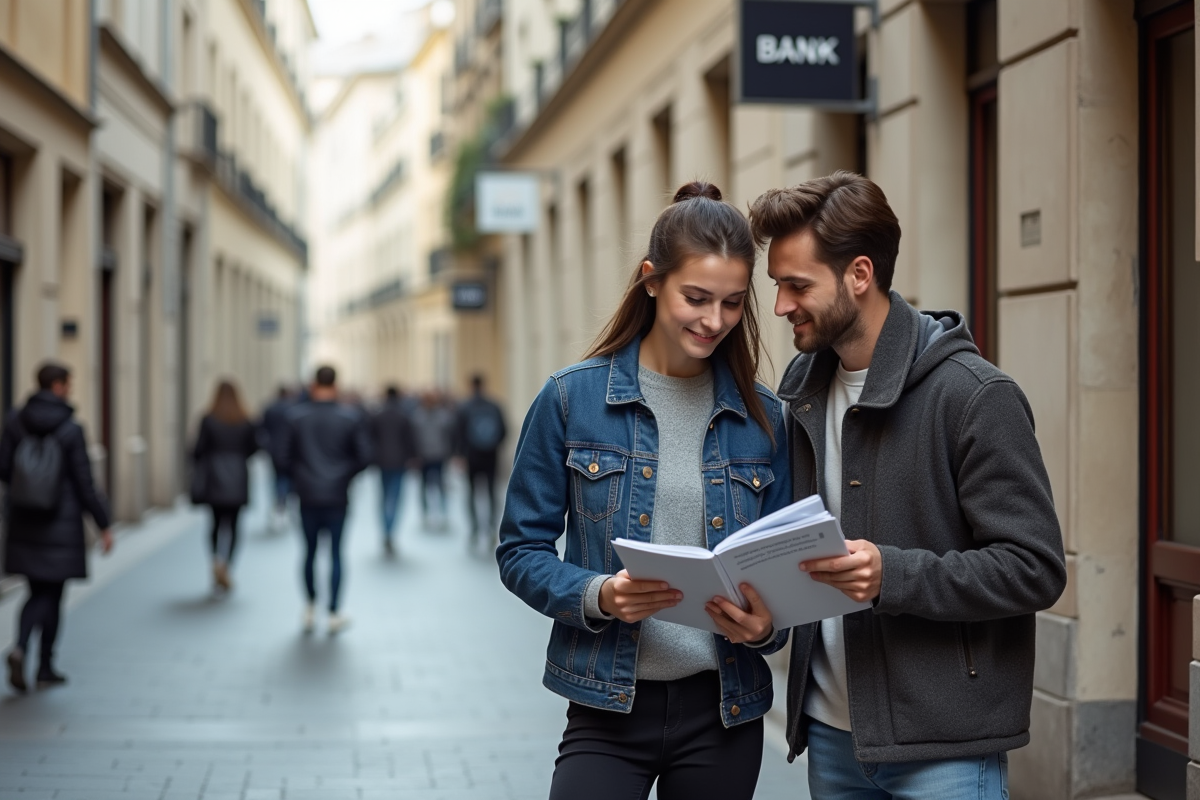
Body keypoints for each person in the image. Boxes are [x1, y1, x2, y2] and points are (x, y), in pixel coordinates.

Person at [749, 171, 1066, 797]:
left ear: (859, 275)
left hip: (945, 748)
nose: (781, 304)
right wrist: (765, 620)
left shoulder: (975, 397)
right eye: (776, 285)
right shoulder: (801, 392)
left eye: (796, 285)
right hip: (831, 738)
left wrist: (892, 575)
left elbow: (1035, 568)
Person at [497, 181, 792, 800]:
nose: (715, 321)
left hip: (724, 711)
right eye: (697, 297)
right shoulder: (570, 399)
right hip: (607, 706)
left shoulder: (766, 420)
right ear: (651, 280)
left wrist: (765, 627)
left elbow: (781, 581)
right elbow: (519, 550)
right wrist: (599, 594)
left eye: (734, 303)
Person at [1, 362, 112, 692]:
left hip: (24, 518)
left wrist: (28, 488)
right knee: (52, 593)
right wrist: (103, 523)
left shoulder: (14, 421)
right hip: (60, 522)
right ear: (60, 386)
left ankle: (21, 647)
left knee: (35, 591)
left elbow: (4, 468)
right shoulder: (71, 428)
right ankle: (45, 665)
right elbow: (84, 482)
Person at [277, 366, 371, 634]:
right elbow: (364, 457)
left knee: (308, 552)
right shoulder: (349, 418)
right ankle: (333, 611)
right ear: (336, 384)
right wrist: (343, 476)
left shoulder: (296, 418)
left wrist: (300, 476)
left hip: (307, 495)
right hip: (337, 495)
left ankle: (309, 606)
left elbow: (281, 458)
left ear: (313, 384)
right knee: (337, 553)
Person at [191, 381, 259, 592]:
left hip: (214, 476)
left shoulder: (208, 419)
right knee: (235, 526)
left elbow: (197, 450)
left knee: (214, 524)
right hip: (237, 476)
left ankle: (215, 561)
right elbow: (254, 448)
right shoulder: (245, 420)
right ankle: (227, 565)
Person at [456, 374, 506, 547]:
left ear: (471, 385)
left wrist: (460, 455)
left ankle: (475, 528)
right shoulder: (494, 405)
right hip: (490, 456)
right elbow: (503, 431)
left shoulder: (465, 406)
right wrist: (493, 446)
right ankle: (492, 528)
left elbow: (458, 433)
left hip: (471, 457)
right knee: (492, 493)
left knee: (471, 493)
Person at [370, 385, 414, 554]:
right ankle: (391, 529)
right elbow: (410, 440)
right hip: (399, 462)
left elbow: (370, 439)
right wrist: (412, 457)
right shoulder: (404, 416)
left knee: (383, 497)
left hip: (382, 462)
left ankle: (386, 529)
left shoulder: (377, 415)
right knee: (395, 498)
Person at [410, 391, 456, 529]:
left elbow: (449, 436)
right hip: (424, 456)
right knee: (424, 486)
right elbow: (413, 438)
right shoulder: (417, 416)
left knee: (440, 485)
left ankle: (443, 514)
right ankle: (426, 514)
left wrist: (450, 453)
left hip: (439, 455)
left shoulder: (443, 416)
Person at [260, 386, 296, 532]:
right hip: (290, 451)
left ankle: (279, 504)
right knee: (287, 479)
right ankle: (283, 504)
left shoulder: (270, 408)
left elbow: (262, 429)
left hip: (274, 450)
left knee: (277, 478)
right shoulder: (294, 409)